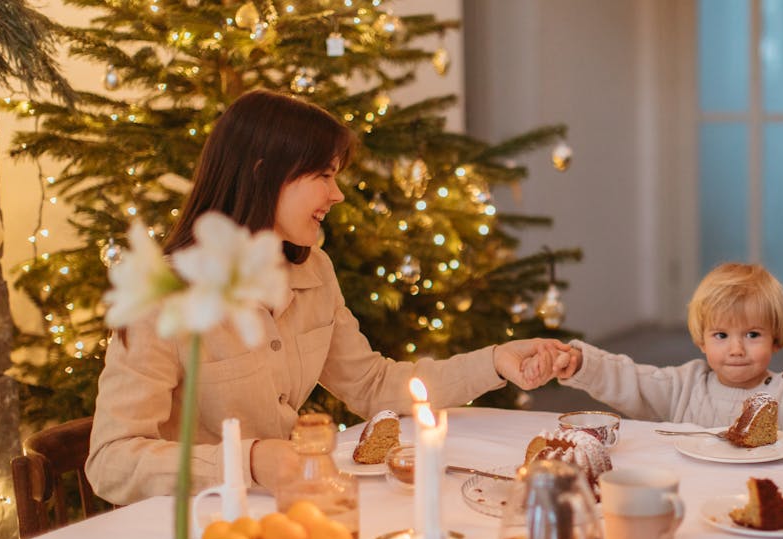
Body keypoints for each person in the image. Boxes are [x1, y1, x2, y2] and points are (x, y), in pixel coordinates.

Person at [87, 89, 570, 505]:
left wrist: (495, 362)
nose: (336, 194)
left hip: (286, 518)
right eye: (322, 174)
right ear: (263, 173)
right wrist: (248, 460)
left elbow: (374, 384)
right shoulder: (169, 296)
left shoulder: (313, 271)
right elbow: (111, 460)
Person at [535, 262, 783, 447]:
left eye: (752, 334)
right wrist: (583, 363)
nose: (736, 349)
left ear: (776, 339)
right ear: (701, 341)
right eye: (721, 335)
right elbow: (629, 379)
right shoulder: (683, 385)